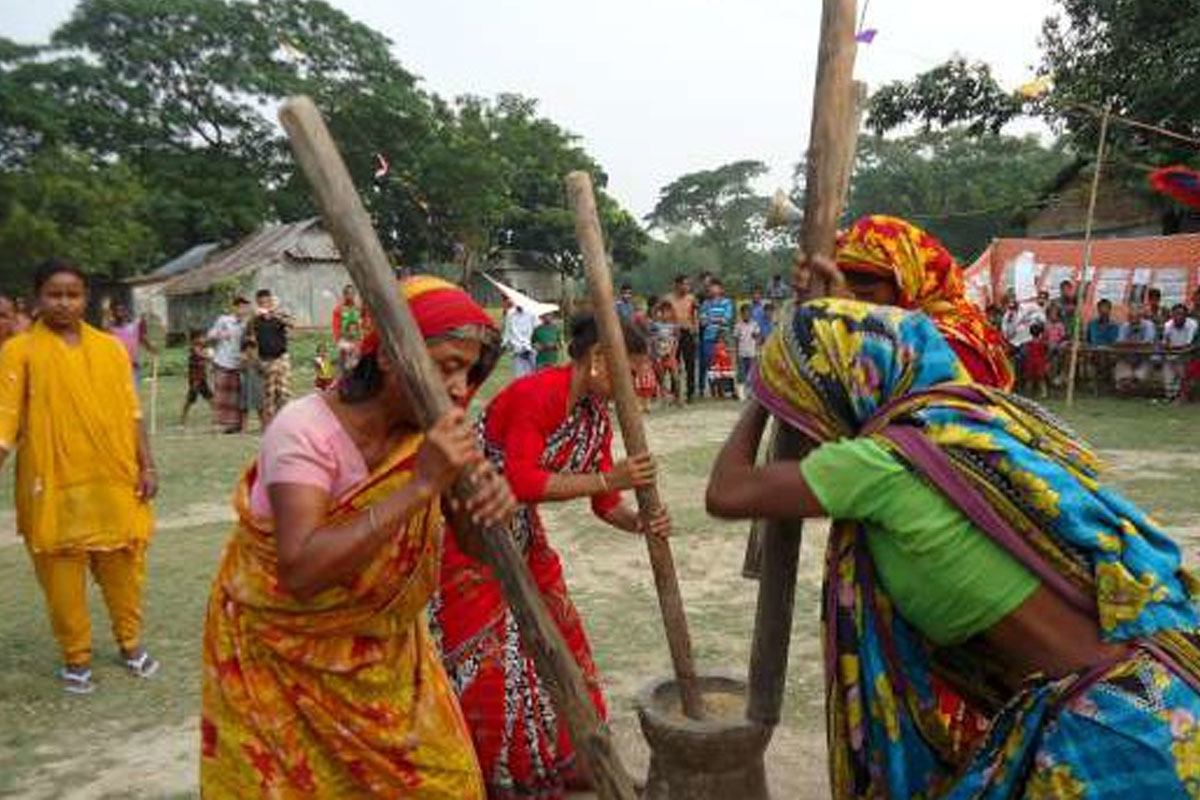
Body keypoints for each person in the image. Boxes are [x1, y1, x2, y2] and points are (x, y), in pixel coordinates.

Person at [707, 297, 1200, 799]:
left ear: (836, 388)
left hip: (1112, 732)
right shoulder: (964, 424)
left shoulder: (880, 465)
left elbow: (727, 491)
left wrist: (763, 399)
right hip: (1159, 690)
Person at [201, 276, 514, 798]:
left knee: (448, 784)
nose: (461, 388)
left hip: (386, 662)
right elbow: (300, 571)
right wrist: (420, 486)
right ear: (391, 357)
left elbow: (476, 548)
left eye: (470, 371)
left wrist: (487, 511)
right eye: (447, 366)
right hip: (279, 664)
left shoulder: (433, 434)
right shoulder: (304, 430)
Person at [434, 313, 671, 799]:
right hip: (470, 532)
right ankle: (494, 773)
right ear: (600, 360)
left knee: (565, 639)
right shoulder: (539, 394)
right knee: (489, 657)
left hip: (521, 532)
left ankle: (578, 759)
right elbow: (522, 480)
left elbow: (605, 504)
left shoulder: (593, 417)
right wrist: (612, 479)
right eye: (632, 370)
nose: (638, 384)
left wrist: (639, 521)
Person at [0, 259, 159, 694]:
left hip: (113, 483)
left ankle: (130, 643)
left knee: (124, 571)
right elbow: (5, 424)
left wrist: (147, 464)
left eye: (73, 294)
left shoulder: (110, 349)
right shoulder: (19, 352)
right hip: (53, 488)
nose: (64, 303)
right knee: (62, 581)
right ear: (36, 299)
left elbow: (132, 413)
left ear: (86, 299)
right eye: (54, 294)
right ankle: (77, 656)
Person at [828, 215, 1015, 389]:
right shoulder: (895, 332)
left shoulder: (947, 343)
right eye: (852, 295)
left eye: (867, 295)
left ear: (908, 284)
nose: (858, 307)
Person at [245, 289, 292, 426]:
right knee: (269, 395)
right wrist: (254, 360)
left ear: (271, 301)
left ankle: (285, 424)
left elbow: (293, 324)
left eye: (267, 302)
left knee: (284, 393)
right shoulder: (255, 320)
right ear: (257, 303)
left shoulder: (279, 315)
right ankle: (270, 426)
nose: (264, 305)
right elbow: (248, 334)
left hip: (282, 358)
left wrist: (275, 314)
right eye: (261, 303)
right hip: (265, 359)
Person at [207, 297, 251, 434]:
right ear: (235, 308)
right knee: (221, 395)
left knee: (236, 395)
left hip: (238, 363)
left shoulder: (247, 324)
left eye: (246, 307)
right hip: (222, 360)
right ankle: (220, 424)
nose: (243, 310)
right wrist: (220, 334)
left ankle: (236, 424)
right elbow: (210, 335)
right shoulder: (224, 320)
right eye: (241, 307)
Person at [698, 278, 734, 397]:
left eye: (715, 286)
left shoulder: (727, 302)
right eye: (711, 287)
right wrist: (716, 319)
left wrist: (711, 319)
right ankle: (713, 390)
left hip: (723, 336)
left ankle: (725, 389)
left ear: (721, 289)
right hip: (708, 336)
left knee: (725, 362)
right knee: (711, 363)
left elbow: (726, 319)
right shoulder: (705, 303)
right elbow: (702, 321)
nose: (713, 289)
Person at [666, 275, 698, 403]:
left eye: (688, 284)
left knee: (690, 364)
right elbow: (661, 313)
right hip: (673, 334)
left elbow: (695, 315)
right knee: (674, 364)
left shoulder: (691, 298)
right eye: (684, 284)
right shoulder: (668, 299)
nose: (686, 287)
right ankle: (675, 393)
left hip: (688, 333)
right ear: (677, 285)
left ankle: (690, 393)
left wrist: (695, 331)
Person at [107, 301, 157, 381]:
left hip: (132, 367)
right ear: (112, 313)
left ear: (126, 311)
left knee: (132, 391)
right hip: (115, 367)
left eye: (122, 310)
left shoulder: (133, 327)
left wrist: (151, 348)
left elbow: (142, 339)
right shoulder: (109, 329)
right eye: (117, 311)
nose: (120, 313)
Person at [1114, 302, 1158, 393]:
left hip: (1145, 358)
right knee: (1122, 382)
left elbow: (1147, 344)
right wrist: (1137, 344)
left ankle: (1136, 387)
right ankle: (1128, 386)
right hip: (1127, 358)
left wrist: (1128, 344)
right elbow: (1119, 343)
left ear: (1141, 316)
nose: (1133, 319)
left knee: (1139, 380)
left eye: (1136, 316)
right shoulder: (1125, 326)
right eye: (1131, 316)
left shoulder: (1149, 325)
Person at [1162, 303, 1199, 402]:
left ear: (1186, 315)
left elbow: (1189, 345)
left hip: (1187, 357)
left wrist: (1174, 349)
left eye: (1181, 314)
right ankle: (1173, 396)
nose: (1179, 317)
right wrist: (1173, 349)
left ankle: (1183, 396)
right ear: (1172, 315)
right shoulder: (1168, 325)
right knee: (1169, 389)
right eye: (1176, 314)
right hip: (1171, 357)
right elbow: (1165, 345)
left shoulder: (1192, 324)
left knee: (1183, 368)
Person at [650, 300, 683, 406]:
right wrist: (656, 354)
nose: (665, 315)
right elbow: (652, 340)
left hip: (670, 355)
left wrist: (673, 353)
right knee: (661, 378)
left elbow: (677, 340)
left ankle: (677, 398)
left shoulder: (674, 326)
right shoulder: (655, 326)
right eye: (662, 312)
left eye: (668, 312)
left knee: (676, 377)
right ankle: (664, 398)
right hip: (659, 355)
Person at [180, 331, 214, 425]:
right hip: (195, 378)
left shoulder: (203, 348)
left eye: (203, 337)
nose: (203, 339)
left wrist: (209, 358)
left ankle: (216, 417)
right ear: (195, 339)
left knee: (210, 397)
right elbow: (199, 354)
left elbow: (205, 358)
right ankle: (183, 417)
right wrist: (209, 357)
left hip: (202, 377)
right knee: (191, 398)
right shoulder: (193, 348)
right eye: (201, 337)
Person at [501, 296, 538, 378]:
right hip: (517, 349)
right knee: (519, 377)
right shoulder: (510, 313)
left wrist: (532, 344)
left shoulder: (532, 313)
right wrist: (504, 344)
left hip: (530, 348)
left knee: (532, 376)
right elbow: (507, 331)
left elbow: (536, 329)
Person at [331, 283, 364, 374]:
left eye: (353, 293)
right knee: (346, 358)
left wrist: (362, 336)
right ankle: (342, 377)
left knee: (358, 359)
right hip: (344, 339)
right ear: (344, 295)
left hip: (357, 339)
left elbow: (363, 322)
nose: (351, 296)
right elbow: (335, 326)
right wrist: (338, 339)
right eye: (348, 293)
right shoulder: (339, 309)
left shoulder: (358, 308)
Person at [734, 303, 761, 394]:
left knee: (752, 374)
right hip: (742, 353)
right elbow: (736, 340)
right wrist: (737, 353)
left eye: (748, 312)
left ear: (751, 313)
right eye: (744, 313)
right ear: (741, 314)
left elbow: (757, 338)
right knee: (741, 374)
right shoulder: (738, 326)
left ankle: (751, 392)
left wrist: (757, 350)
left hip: (752, 353)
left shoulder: (755, 324)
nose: (746, 315)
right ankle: (741, 393)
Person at [1022, 321, 1050, 399]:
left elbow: (1025, 352)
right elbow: (1046, 352)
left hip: (1030, 362)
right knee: (1041, 379)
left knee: (1029, 379)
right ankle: (1044, 393)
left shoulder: (1028, 343)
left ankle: (1027, 393)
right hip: (1040, 362)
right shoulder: (1043, 343)